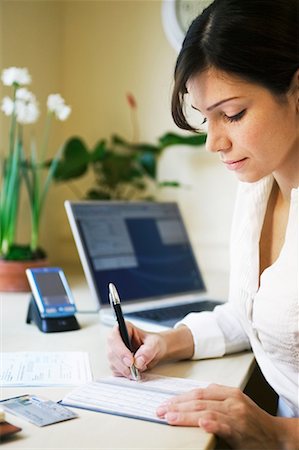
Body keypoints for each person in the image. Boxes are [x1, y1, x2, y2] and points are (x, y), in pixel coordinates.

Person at [107, 0, 299, 448]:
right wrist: (167, 341)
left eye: (232, 114)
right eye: (205, 118)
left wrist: (280, 434)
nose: (215, 142)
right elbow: (258, 315)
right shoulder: (257, 188)